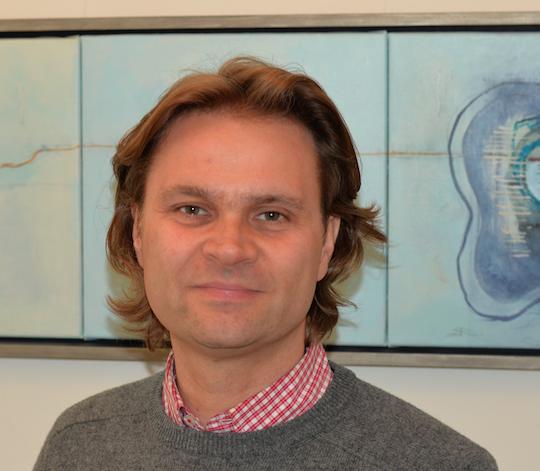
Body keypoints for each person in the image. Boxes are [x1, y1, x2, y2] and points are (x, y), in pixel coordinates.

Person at [34, 57, 497, 470]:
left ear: (326, 243)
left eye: (272, 215)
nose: (229, 248)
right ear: (138, 232)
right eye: (192, 209)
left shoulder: (442, 465)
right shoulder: (79, 446)